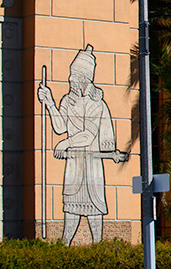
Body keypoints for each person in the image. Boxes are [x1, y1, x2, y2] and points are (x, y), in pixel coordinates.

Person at [37, 45, 127, 243]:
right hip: (74, 166)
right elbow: (60, 127)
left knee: (94, 215)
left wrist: (66, 143)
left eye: (75, 76)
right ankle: (63, 249)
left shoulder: (97, 103)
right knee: (70, 213)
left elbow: (88, 135)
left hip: (91, 167)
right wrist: (50, 103)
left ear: (85, 79)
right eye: (71, 75)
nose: (71, 80)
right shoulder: (68, 100)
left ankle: (99, 250)